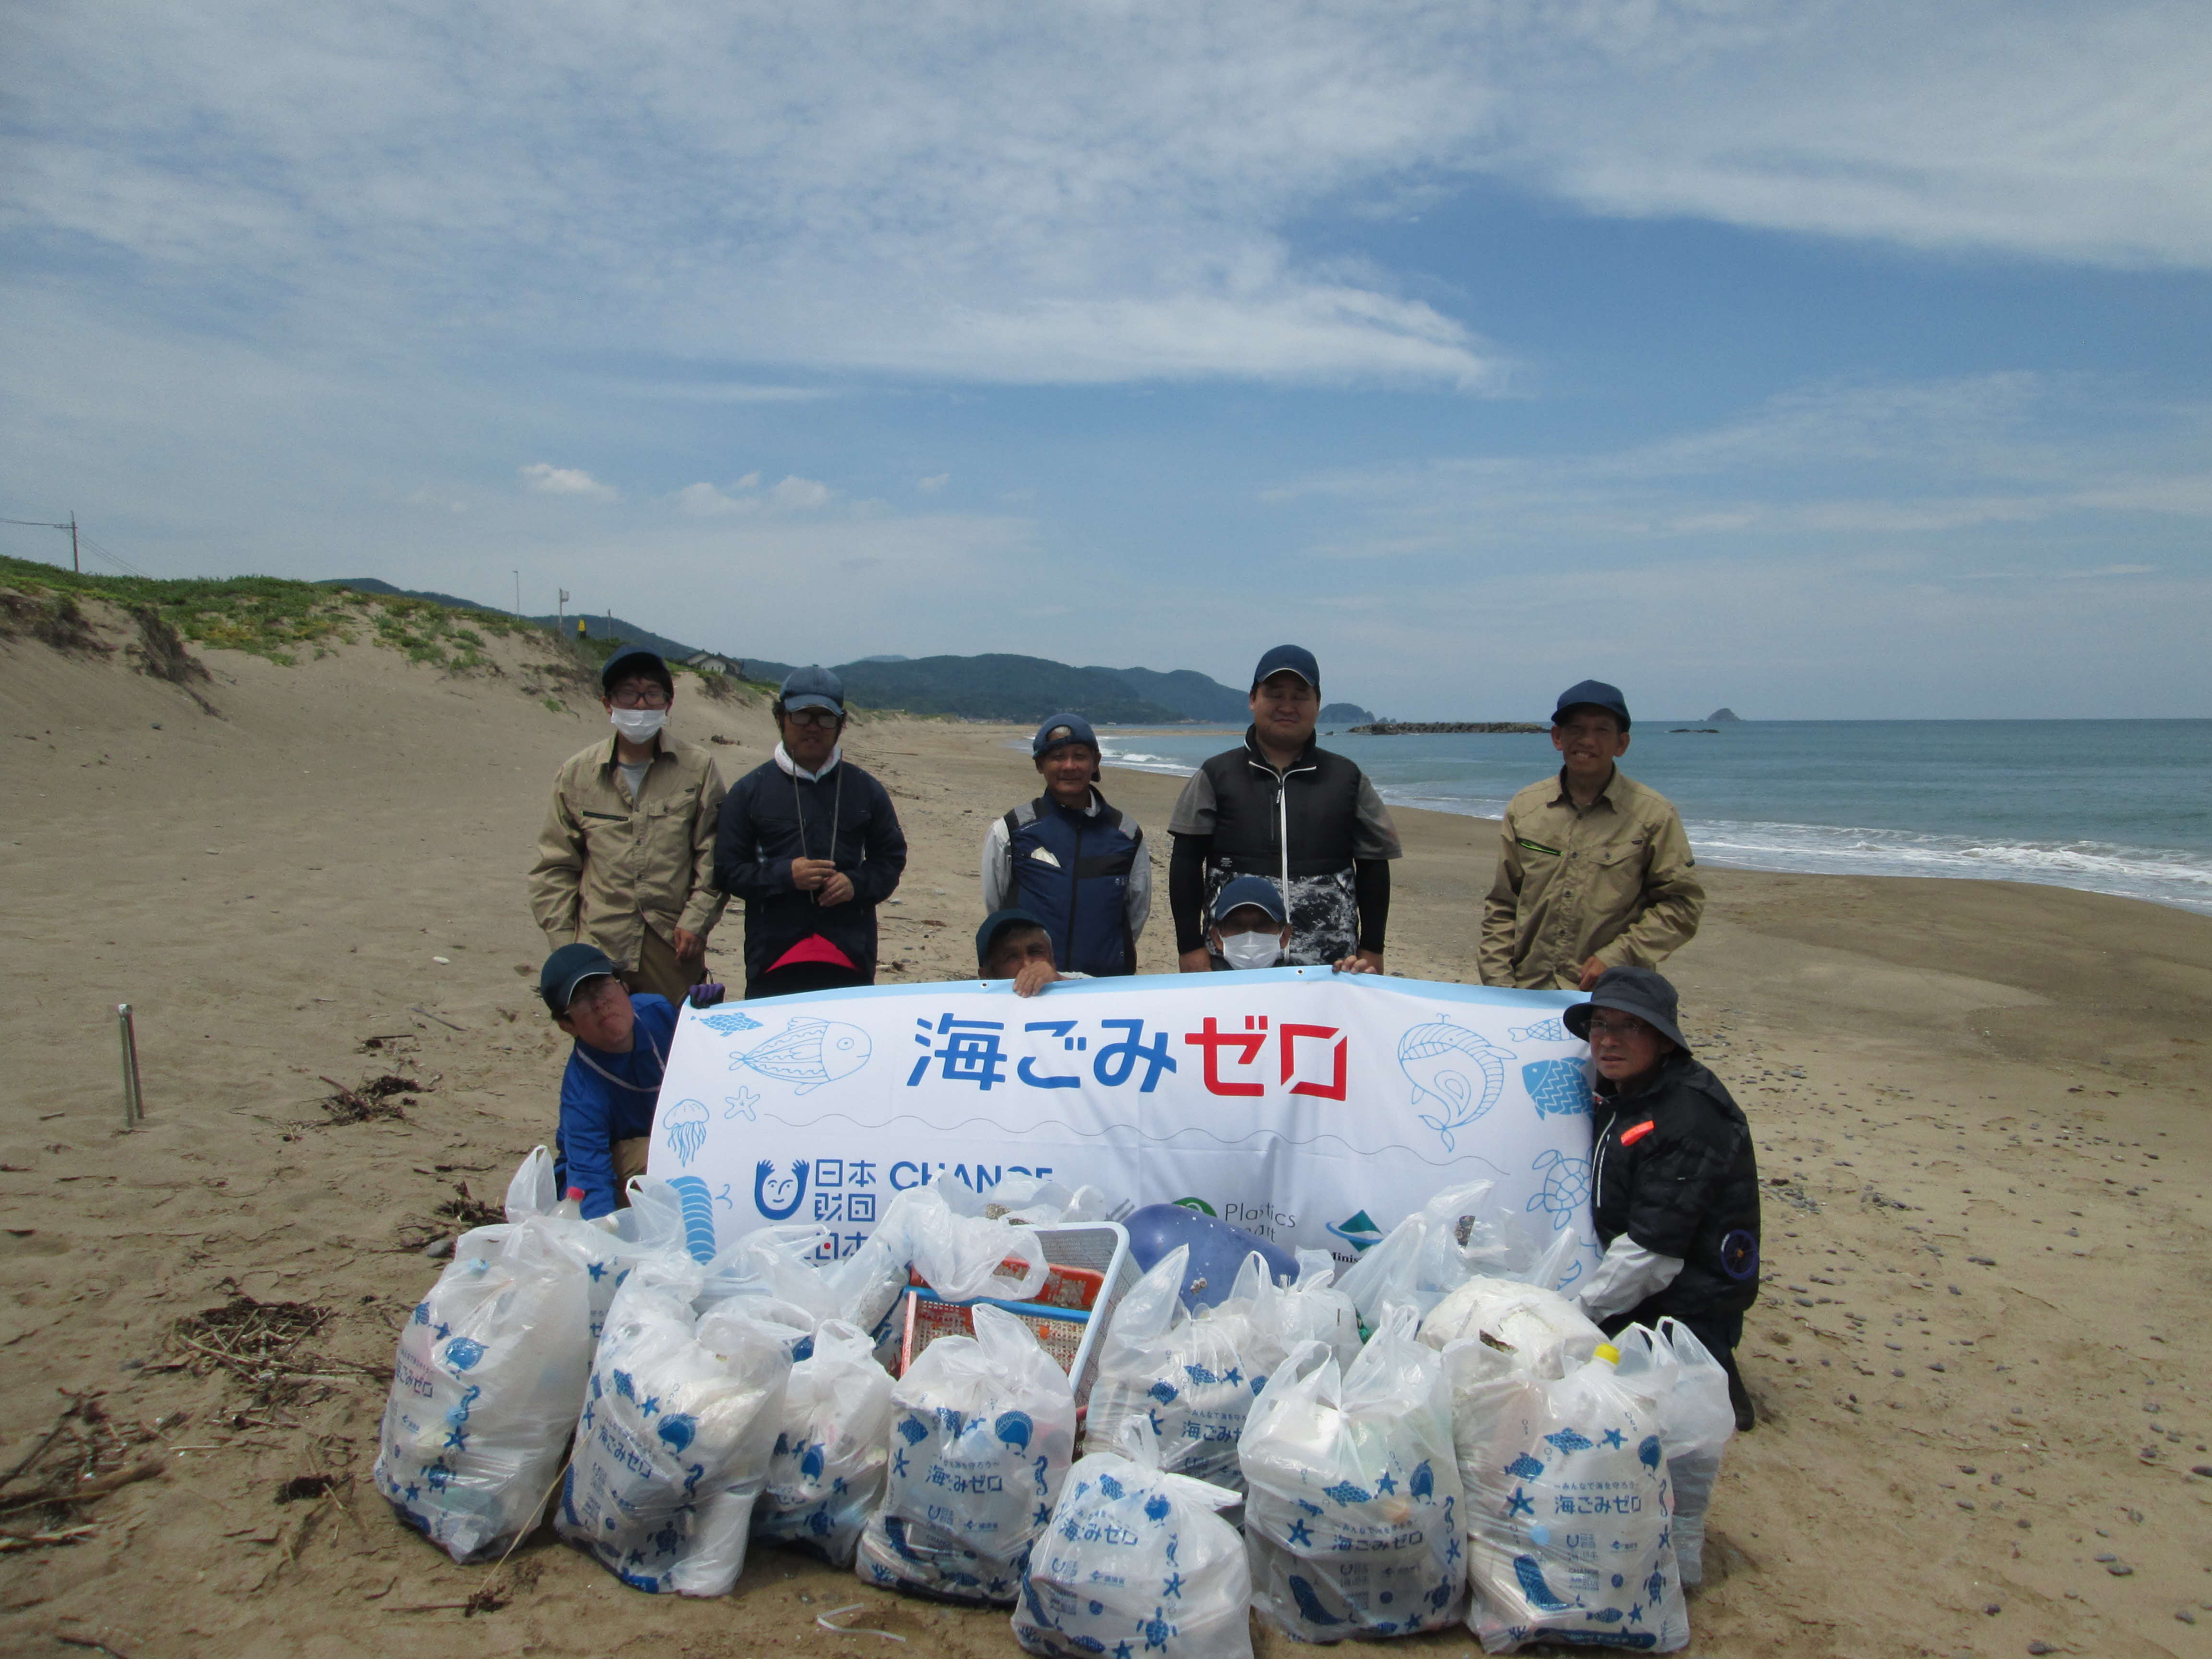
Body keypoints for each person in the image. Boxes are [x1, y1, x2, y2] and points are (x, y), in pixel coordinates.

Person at [1565, 966, 1759, 1431]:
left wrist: (1576, 1314)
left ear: (1666, 1041)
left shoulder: (1690, 1116)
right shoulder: (1621, 1092)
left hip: (1688, 1299)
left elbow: (1656, 1250)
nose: (1608, 1040)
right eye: (1600, 1025)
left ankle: (1714, 1374)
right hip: (1640, 1278)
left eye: (1629, 1027)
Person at [1166, 644, 1400, 974]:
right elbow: (1186, 864)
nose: (1287, 706)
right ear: (1253, 700)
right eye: (1275, 694)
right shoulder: (1215, 775)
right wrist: (1189, 946)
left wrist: (1372, 948)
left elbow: (1374, 865)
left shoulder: (1348, 779)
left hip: (1330, 967)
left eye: (1300, 696)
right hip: (1232, 964)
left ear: (1318, 704)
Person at [529, 647, 728, 1005]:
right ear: (608, 703)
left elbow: (714, 854)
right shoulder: (576, 774)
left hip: (673, 947)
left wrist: (697, 920)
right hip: (597, 948)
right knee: (608, 1048)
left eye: (652, 693)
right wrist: (565, 947)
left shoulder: (698, 768)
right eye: (627, 694)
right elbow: (555, 867)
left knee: (672, 1048)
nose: (640, 705)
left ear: (668, 704)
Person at [1479, 678, 1703, 992]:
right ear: (1557, 737)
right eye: (1576, 729)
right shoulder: (1525, 808)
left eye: (1601, 730)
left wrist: (1617, 956)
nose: (1587, 741)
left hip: (1611, 999)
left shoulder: (1653, 815)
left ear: (1621, 744)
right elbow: (1503, 905)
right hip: (1527, 993)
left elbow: (1682, 905)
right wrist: (1498, 985)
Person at [713, 665, 908, 999]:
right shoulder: (749, 792)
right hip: (773, 956)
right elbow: (728, 870)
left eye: (825, 718)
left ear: (841, 724)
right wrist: (785, 875)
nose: (814, 728)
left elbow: (890, 860)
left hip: (850, 955)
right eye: (802, 716)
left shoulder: (866, 790)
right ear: (780, 718)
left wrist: (856, 884)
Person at [978, 713, 1150, 977]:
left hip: (1106, 985)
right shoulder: (1011, 831)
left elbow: (1136, 912)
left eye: (1079, 756)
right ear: (1040, 764)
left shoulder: (1126, 835)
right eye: (1057, 757)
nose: (1069, 766)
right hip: (1032, 986)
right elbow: (997, 907)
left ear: (1096, 762)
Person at [540, 942, 694, 1218]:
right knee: (661, 1153)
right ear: (567, 1025)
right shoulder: (582, 1091)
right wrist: (601, 1242)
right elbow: (589, 1179)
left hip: (675, 1133)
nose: (600, 1003)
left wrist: (708, 1019)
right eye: (581, 1000)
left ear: (623, 987)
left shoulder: (658, 1012)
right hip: (616, 1168)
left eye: (603, 986)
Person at [975, 907, 1088, 998]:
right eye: (1012, 957)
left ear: (1052, 958)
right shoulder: (969, 1006)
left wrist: (1061, 982)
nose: (1028, 965)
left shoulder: (1078, 981)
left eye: (1036, 952)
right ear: (986, 976)